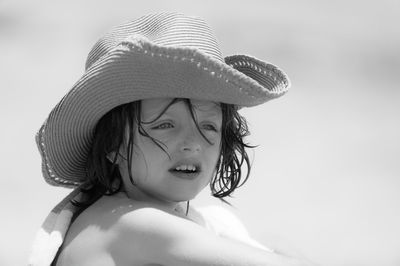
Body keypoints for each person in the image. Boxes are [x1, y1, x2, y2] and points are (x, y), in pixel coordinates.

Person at [29, 12, 314, 266]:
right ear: (112, 145)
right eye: (166, 124)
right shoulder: (137, 224)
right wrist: (282, 250)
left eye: (209, 127)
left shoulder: (103, 214)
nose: (193, 142)